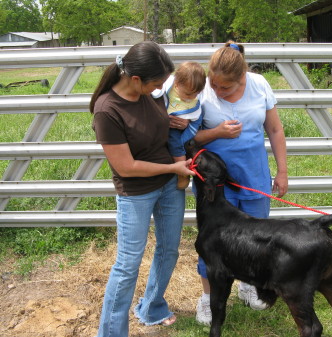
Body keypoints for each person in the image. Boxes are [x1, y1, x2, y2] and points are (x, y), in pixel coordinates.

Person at [90, 41, 195, 337]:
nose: (161, 88)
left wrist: (169, 122)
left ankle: (151, 308)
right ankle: (111, 333)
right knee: (127, 265)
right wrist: (174, 169)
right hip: (136, 193)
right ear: (136, 79)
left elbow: (152, 124)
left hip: (168, 187)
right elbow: (126, 167)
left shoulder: (149, 94)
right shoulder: (107, 111)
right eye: (157, 83)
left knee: (169, 250)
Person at [193, 41, 288, 325]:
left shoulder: (259, 85)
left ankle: (248, 285)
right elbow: (188, 140)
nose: (218, 91)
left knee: (256, 238)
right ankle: (208, 299)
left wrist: (282, 171)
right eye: (215, 84)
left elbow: (274, 128)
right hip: (214, 184)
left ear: (242, 77)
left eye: (226, 88)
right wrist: (216, 133)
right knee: (212, 242)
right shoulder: (202, 90)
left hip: (253, 175)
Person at [158, 61, 206, 189]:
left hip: (179, 127)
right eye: (188, 94)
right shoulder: (166, 87)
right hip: (163, 123)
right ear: (177, 84)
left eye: (195, 94)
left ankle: (183, 171)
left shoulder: (193, 100)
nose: (191, 98)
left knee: (174, 141)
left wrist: (185, 135)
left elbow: (197, 119)